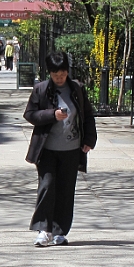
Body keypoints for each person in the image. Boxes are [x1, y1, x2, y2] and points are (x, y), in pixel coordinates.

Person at [23, 51, 96, 247]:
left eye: (63, 73)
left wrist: (89, 139)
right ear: (50, 73)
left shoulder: (77, 89)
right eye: (56, 75)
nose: (60, 78)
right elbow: (30, 114)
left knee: (66, 190)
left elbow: (87, 115)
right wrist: (52, 115)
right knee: (47, 187)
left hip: (71, 149)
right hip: (46, 149)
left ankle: (60, 231)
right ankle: (43, 229)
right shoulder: (41, 90)